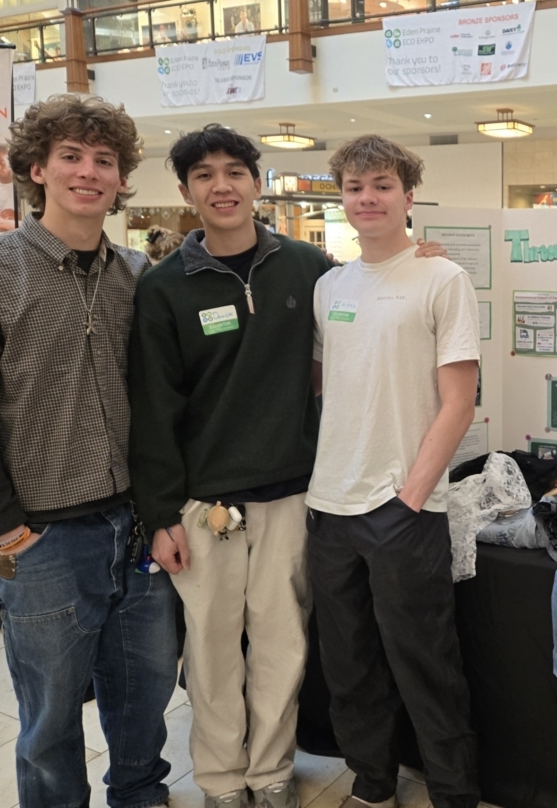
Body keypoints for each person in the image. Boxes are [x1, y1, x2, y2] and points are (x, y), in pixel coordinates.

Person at [128, 126, 449, 808]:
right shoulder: (162, 289)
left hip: (292, 496)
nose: (222, 186)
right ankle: (220, 780)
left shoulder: (310, 270)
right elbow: (152, 412)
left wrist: (424, 259)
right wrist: (159, 515)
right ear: (185, 191)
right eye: (205, 175)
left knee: (282, 648)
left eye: (235, 171)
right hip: (202, 503)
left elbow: (374, 292)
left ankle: (271, 774)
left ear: (256, 182)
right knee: (213, 656)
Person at [0, 95, 178, 808]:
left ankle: (140, 798)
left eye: (104, 160)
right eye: (71, 156)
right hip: (45, 540)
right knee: (48, 724)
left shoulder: (141, 278)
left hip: (138, 530)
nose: (88, 171)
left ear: (120, 178)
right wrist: (10, 531)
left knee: (144, 706)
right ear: (36, 169)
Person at [308, 135, 481, 808]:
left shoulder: (442, 278)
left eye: (381, 184)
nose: (367, 198)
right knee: (348, 667)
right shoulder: (329, 286)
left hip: (401, 512)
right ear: (343, 199)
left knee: (426, 668)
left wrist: (410, 495)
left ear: (408, 196)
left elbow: (459, 402)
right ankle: (372, 783)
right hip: (328, 509)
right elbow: (330, 387)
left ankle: (453, 793)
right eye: (354, 187)